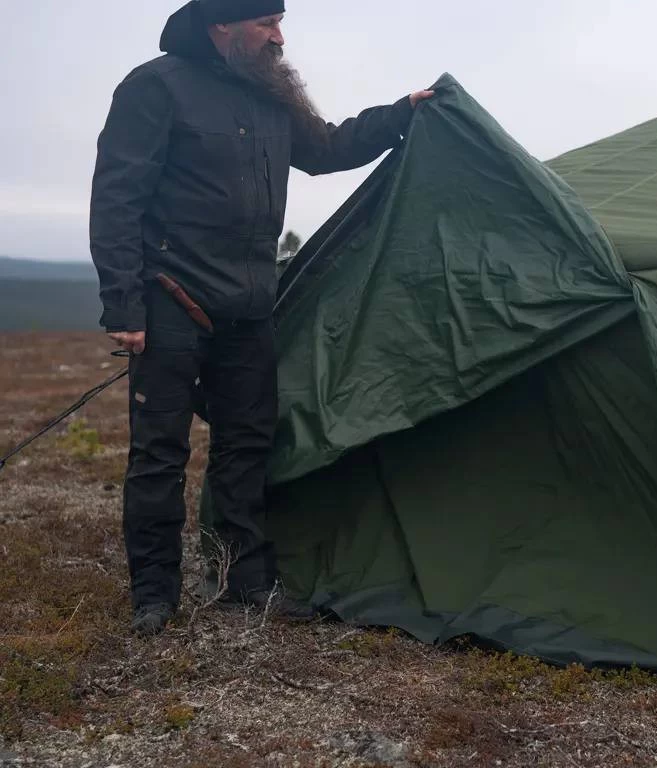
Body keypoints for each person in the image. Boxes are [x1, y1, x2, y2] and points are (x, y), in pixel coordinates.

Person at [89, 0, 433, 636]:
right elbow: (116, 198)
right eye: (265, 25)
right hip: (170, 301)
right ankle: (154, 594)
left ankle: (243, 580)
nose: (279, 38)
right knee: (160, 452)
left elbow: (326, 147)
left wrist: (402, 113)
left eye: (280, 23)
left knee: (246, 444)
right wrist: (123, 304)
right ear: (222, 25)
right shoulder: (154, 87)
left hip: (249, 307)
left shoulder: (270, 93)